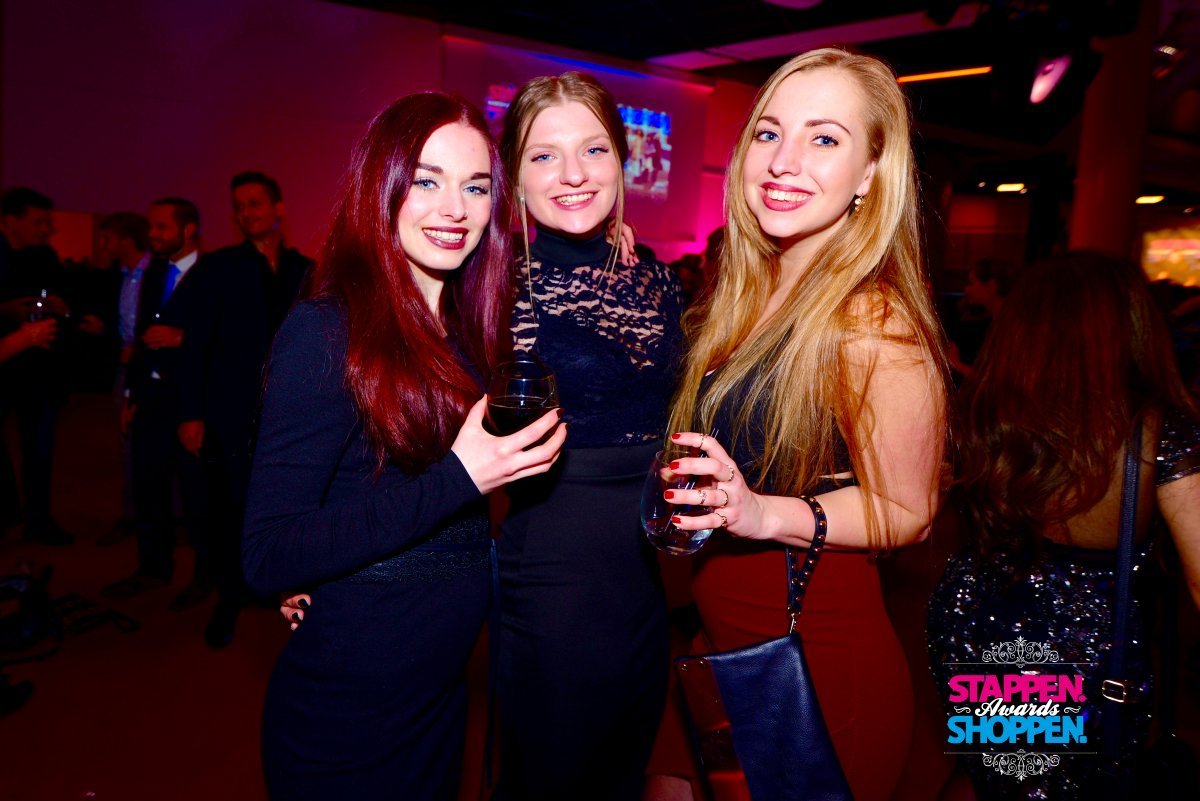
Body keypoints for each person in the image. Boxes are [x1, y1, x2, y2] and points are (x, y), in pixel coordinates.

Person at [241, 92, 566, 801]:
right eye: (426, 180)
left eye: (475, 187)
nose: (455, 208)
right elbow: (267, 553)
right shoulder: (328, 330)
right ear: (380, 185)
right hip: (352, 711)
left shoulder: (466, 327)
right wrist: (462, 476)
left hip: (438, 694)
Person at [650, 48, 947, 801]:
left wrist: (759, 513)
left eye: (824, 138)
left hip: (811, 660)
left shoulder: (870, 318)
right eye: (768, 132)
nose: (784, 161)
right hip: (720, 640)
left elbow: (909, 510)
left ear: (872, 172)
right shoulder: (749, 293)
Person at [927, 252, 1200, 800]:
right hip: (1088, 646)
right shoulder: (1157, 431)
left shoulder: (980, 413)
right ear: (1131, 326)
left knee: (1008, 780)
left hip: (979, 623)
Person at [490, 71, 685, 801]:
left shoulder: (656, 280)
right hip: (555, 571)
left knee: (624, 768)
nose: (573, 175)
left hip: (647, 573)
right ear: (513, 176)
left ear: (622, 162)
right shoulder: (493, 285)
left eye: (593, 150)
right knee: (554, 773)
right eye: (543, 156)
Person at [174, 172, 312, 648]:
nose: (246, 212)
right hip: (229, 410)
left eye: (255, 203)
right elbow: (193, 344)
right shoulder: (219, 268)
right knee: (229, 505)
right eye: (239, 205)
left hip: (292, 413)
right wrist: (190, 412)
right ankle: (230, 596)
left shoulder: (305, 270)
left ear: (278, 208)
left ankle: (279, 587)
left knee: (285, 502)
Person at [102, 198, 214, 607]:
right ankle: (153, 567)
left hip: (189, 402)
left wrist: (184, 339)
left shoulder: (214, 273)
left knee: (198, 494)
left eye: (162, 227)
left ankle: (206, 576)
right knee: (147, 487)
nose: (153, 234)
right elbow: (139, 341)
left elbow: (231, 337)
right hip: (149, 400)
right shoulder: (153, 273)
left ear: (188, 230)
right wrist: (131, 395)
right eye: (151, 226)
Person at [0, 186, 77, 545]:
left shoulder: (41, 256)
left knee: (39, 450)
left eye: (47, 222)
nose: (45, 229)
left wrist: (62, 307)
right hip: (8, 364)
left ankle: (37, 520)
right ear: (10, 220)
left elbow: (63, 297)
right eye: (37, 222)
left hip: (36, 372)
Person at [94, 211, 151, 545]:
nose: (103, 245)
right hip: (125, 365)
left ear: (126, 239)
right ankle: (132, 514)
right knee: (127, 441)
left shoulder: (154, 273)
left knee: (145, 442)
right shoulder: (119, 275)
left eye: (108, 238)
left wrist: (138, 348)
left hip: (147, 368)